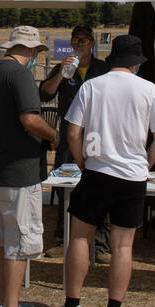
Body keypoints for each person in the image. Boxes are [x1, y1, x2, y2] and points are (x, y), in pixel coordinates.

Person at [46, 34, 155, 307]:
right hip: (132, 176)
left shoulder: (92, 86)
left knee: (79, 239)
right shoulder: (149, 89)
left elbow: (72, 132)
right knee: (123, 245)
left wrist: (80, 161)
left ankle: (72, 306)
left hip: (96, 171)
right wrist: (145, 163)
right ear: (136, 63)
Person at [0, 25, 58, 307]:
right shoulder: (20, 75)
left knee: (2, 239)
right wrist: (53, 136)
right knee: (19, 243)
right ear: (32, 51)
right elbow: (30, 118)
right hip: (20, 171)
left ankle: (4, 300)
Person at [40, 23, 111, 262]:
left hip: (98, 135)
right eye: (75, 41)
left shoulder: (103, 69)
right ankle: (63, 239)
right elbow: (45, 93)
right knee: (63, 185)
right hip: (69, 135)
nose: (79, 45)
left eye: (83, 41)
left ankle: (100, 244)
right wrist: (62, 71)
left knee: (101, 184)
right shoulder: (64, 67)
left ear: (92, 43)